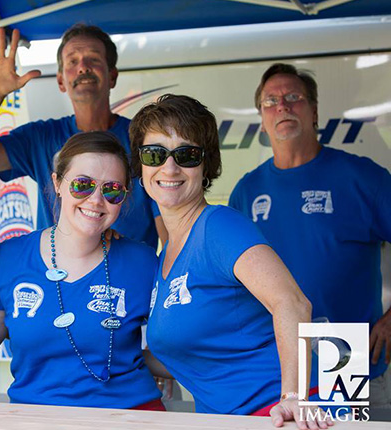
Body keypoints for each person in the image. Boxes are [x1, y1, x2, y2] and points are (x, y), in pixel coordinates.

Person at [130, 94, 331, 428]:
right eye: (155, 154)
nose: (169, 167)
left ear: (206, 165)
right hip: (232, 420)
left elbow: (292, 303)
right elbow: (199, 350)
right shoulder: (167, 254)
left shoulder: (219, 226)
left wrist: (294, 399)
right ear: (140, 166)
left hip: (282, 416)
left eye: (187, 154)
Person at [229, 63, 391, 405]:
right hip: (271, 360)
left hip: (344, 354)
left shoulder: (362, 178)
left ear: (314, 110)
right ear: (262, 118)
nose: (283, 106)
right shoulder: (247, 191)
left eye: (293, 97)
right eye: (271, 101)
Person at [0, 131, 164, 409]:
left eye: (112, 189)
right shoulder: (7, 260)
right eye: (82, 185)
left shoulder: (144, 262)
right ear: (57, 183)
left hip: (131, 415)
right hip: (37, 420)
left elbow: (183, 343)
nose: (96, 200)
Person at [0, 24, 165, 248]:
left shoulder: (144, 141)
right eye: (72, 61)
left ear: (112, 76)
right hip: (56, 278)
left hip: (131, 279)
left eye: (93, 59)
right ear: (61, 81)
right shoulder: (40, 137)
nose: (83, 67)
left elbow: (167, 223)